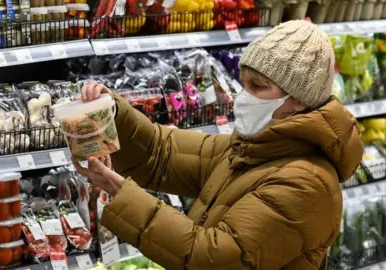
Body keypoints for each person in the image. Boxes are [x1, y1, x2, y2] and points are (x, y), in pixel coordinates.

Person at [74, 20, 363, 269]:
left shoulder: (307, 185)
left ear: (299, 100)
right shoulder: (250, 149)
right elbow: (160, 151)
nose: (243, 96)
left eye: (258, 87)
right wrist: (112, 114)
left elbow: (210, 258)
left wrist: (120, 191)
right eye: (244, 83)